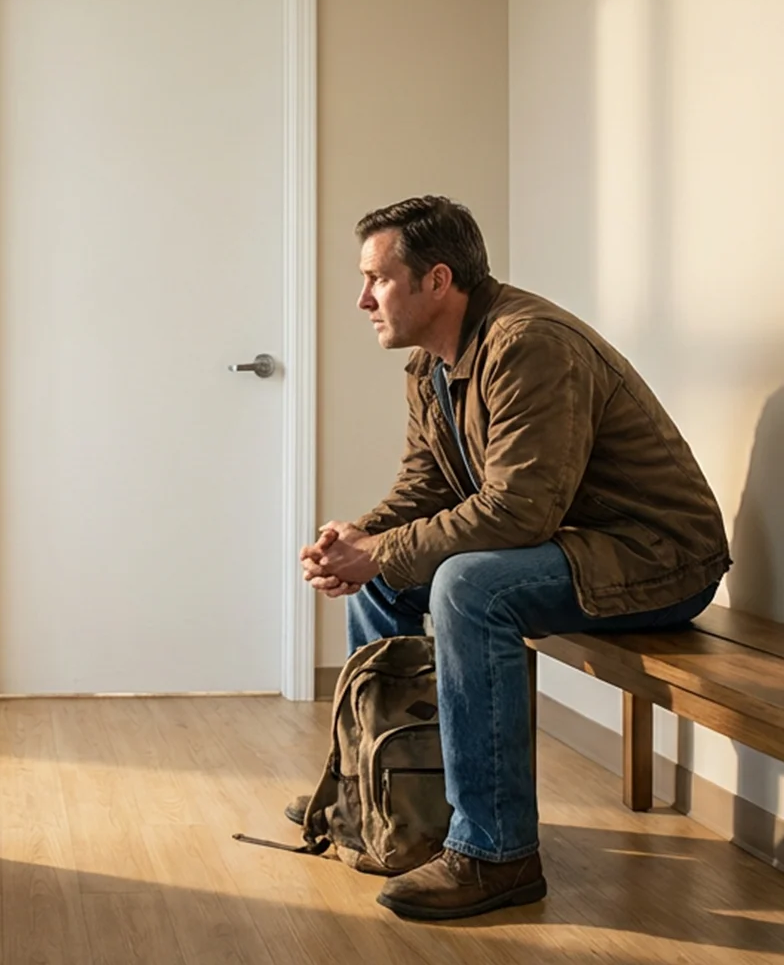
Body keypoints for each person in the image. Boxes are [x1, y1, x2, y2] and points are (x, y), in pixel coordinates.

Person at [299, 195, 730, 921]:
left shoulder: (529, 344)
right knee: (387, 583)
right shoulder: (432, 364)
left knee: (469, 586)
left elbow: (518, 511)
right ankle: (388, 795)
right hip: (572, 546)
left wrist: (385, 553)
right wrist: (358, 540)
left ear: (438, 281)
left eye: (377, 278)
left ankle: (496, 854)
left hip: (656, 558)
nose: (361, 298)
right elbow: (427, 486)